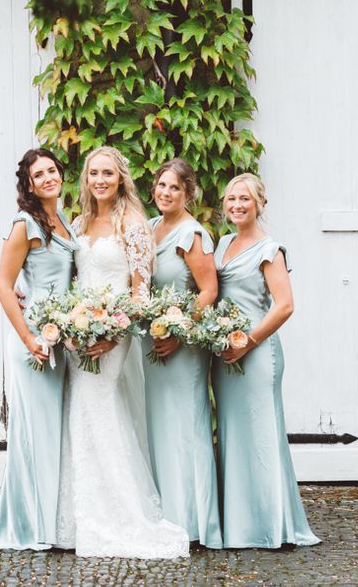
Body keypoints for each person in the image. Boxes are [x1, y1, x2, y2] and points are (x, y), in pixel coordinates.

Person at [55, 146, 189, 559]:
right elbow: (73, 277)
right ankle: (78, 516)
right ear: (86, 178)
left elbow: (140, 288)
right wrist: (70, 322)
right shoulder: (77, 222)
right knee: (80, 408)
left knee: (98, 405)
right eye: (93, 172)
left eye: (107, 173)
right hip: (81, 330)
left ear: (120, 178)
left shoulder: (131, 222)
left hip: (116, 331)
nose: (100, 180)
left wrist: (115, 331)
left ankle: (120, 514)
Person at [212, 173, 320, 549]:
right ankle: (239, 525)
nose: (237, 205)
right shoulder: (222, 242)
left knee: (261, 436)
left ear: (259, 204)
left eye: (244, 199)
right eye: (231, 199)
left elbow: (285, 305)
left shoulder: (270, 249)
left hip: (257, 355)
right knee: (233, 435)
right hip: (225, 356)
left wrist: (249, 341)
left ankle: (272, 525)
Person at [0, 149, 77, 551]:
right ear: (29, 184)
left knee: (54, 433)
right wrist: (29, 338)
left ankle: (52, 522)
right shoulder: (23, 225)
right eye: (38, 175)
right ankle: (32, 527)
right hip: (34, 343)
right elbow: (4, 286)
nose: (47, 178)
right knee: (36, 434)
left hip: (61, 339)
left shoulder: (64, 223)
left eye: (52, 170)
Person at [143, 159, 222, 549]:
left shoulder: (194, 234)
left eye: (174, 187)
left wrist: (179, 332)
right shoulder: (152, 228)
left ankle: (192, 522)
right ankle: (163, 515)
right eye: (161, 185)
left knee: (185, 429)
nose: (165, 193)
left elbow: (208, 290)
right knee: (159, 428)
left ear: (189, 193)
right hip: (151, 343)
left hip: (183, 347)